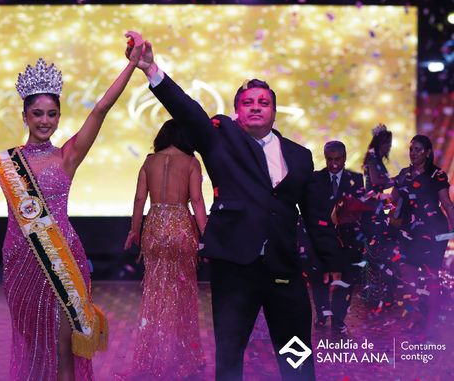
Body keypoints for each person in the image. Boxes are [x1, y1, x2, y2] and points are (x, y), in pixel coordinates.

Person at [125, 31, 340, 381]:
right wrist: (152, 70)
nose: (256, 106)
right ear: (238, 111)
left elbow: (316, 216)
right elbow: (188, 111)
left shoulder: (300, 156)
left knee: (296, 354)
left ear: (273, 111)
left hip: (284, 269)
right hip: (235, 270)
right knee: (229, 357)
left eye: (263, 102)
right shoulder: (220, 139)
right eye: (248, 102)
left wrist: (333, 263)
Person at [0, 34, 144, 381]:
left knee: (64, 347)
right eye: (37, 113)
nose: (44, 121)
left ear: (60, 117)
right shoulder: (6, 162)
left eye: (52, 114)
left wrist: (132, 65)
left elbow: (100, 109)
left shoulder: (67, 156)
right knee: (35, 345)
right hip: (20, 265)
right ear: (24, 116)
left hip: (63, 260)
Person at [124, 119, 207, 379]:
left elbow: (140, 198)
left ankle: (155, 357)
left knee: (156, 293)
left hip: (154, 226)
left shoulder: (150, 162)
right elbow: (196, 200)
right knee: (182, 294)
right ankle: (182, 358)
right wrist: (207, 235)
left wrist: (134, 230)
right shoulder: (191, 162)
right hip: (181, 227)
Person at [391, 135, 454, 334]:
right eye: (411, 149)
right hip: (409, 231)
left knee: (431, 275)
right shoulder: (405, 173)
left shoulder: (437, 174)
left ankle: (431, 322)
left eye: (418, 149)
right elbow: (393, 198)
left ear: (427, 153)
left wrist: (453, 226)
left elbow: (446, 203)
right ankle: (415, 316)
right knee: (407, 273)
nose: (413, 153)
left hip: (432, 231)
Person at [303, 141, 364, 335]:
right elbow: (309, 210)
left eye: (337, 159)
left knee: (345, 282)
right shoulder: (315, 179)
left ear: (345, 158)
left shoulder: (356, 179)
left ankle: (338, 319)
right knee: (319, 279)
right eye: (329, 159)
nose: (334, 164)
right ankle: (322, 313)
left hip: (346, 241)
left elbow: (358, 209)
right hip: (320, 239)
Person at [361, 124, 397, 309]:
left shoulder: (376, 160)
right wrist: (398, 179)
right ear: (380, 144)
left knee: (378, 253)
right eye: (387, 143)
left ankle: (377, 296)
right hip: (372, 212)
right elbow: (376, 182)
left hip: (378, 210)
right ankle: (374, 297)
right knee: (375, 254)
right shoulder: (373, 159)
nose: (388, 147)